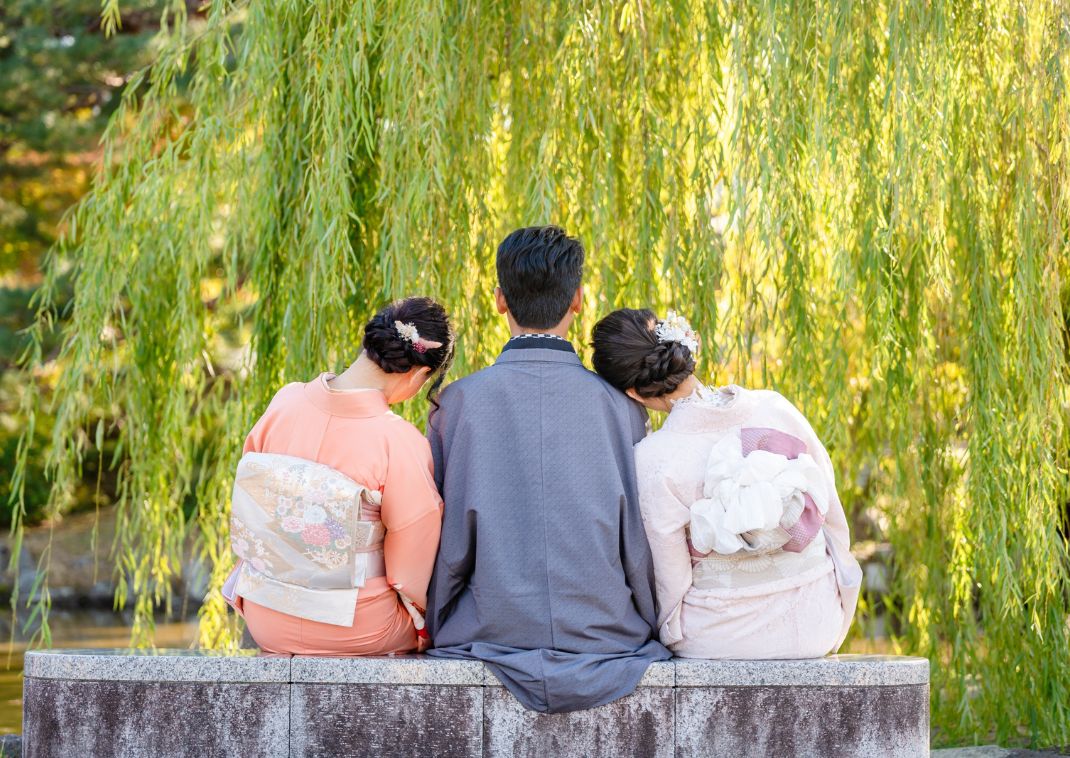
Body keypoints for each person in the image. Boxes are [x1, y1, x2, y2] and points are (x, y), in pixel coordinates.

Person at [425, 226, 670, 713]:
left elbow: (447, 544)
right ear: (578, 300)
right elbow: (639, 546)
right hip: (604, 629)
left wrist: (435, 621)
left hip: (490, 626)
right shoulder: (622, 409)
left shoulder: (457, 405)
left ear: (499, 300)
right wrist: (648, 620)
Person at [591, 308, 862, 660]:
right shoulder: (775, 406)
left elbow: (672, 581)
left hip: (721, 635)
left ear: (634, 394)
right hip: (815, 620)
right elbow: (831, 517)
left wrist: (669, 631)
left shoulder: (651, 459)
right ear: (685, 351)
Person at [224, 297, 454, 656]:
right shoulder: (398, 440)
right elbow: (408, 574)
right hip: (358, 626)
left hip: (265, 615)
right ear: (419, 375)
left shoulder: (284, 402)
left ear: (368, 343)